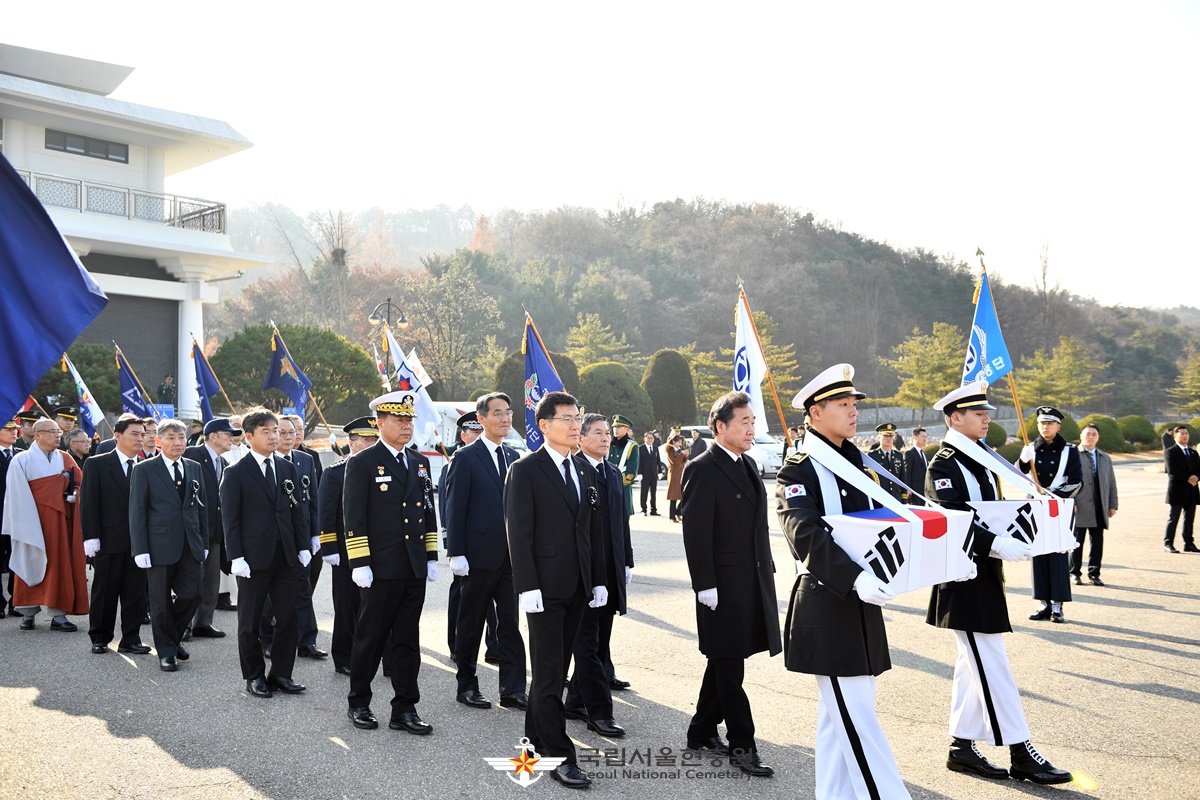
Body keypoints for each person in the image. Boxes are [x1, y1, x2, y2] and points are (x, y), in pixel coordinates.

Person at [927, 380, 1072, 785]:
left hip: (985, 578)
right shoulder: (944, 464)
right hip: (962, 583)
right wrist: (998, 545)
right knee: (993, 669)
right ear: (955, 418)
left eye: (986, 411)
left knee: (972, 667)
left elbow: (993, 511)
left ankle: (961, 748)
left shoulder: (981, 457)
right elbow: (954, 521)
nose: (987, 417)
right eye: (978, 413)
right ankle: (1021, 751)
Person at [776, 364, 910, 799]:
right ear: (815, 413)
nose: (853, 412)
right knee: (857, 723)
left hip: (862, 603)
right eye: (843, 405)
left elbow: (883, 525)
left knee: (841, 723)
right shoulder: (798, 470)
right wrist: (855, 579)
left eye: (854, 405)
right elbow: (805, 535)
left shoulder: (859, 463)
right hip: (827, 605)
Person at [504, 391, 607, 789]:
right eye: (566, 418)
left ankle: (532, 742)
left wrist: (596, 578)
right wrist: (526, 585)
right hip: (543, 589)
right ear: (544, 425)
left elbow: (589, 531)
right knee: (549, 674)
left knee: (555, 670)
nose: (574, 424)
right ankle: (559, 754)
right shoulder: (526, 469)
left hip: (577, 585)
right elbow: (518, 530)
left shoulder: (583, 469)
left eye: (576, 417)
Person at [681, 391, 781, 778]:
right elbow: (696, 530)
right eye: (745, 422)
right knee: (729, 665)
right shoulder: (703, 467)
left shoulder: (748, 463)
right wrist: (704, 583)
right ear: (720, 426)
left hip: (749, 579)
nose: (752, 428)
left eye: (753, 421)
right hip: (720, 585)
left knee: (725, 658)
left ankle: (702, 729)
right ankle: (743, 745)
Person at [345, 392, 439, 735]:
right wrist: (360, 562)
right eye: (399, 421)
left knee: (407, 640)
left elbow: (428, 512)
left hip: (412, 567)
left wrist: (431, 556)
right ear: (379, 423)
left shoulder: (419, 462)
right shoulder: (363, 462)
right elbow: (353, 515)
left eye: (409, 421)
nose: (406, 426)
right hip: (380, 568)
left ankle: (405, 707)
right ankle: (359, 702)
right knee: (370, 637)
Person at [219, 407, 311, 698]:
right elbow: (230, 520)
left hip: (285, 556)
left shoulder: (287, 468)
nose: (275, 437)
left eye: (277, 431)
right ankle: (254, 676)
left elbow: (296, 511)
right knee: (250, 622)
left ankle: (281, 674)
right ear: (248, 436)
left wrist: (303, 546)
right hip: (252, 559)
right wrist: (236, 557)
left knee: (288, 618)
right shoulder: (235, 473)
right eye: (267, 432)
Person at [444, 393, 527, 711]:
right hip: (476, 558)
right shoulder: (465, 458)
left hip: (509, 559)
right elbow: (455, 506)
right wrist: (457, 552)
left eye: (508, 413)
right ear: (481, 419)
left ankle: (513, 689)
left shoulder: (513, 457)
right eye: (497, 413)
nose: (505, 419)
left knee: (509, 624)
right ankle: (466, 685)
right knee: (471, 623)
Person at [565, 413, 634, 738]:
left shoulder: (612, 471)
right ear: (581, 438)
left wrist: (627, 562)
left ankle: (575, 701)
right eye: (598, 433)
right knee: (588, 644)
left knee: (599, 642)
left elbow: (622, 523)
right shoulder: (574, 472)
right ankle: (599, 712)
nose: (606, 438)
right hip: (582, 572)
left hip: (611, 570)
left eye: (608, 433)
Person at [128, 419, 207, 672]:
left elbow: (200, 508)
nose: (178, 442)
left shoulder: (193, 467)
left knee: (192, 594)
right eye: (171, 437)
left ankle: (171, 637)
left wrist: (203, 541)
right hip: (158, 544)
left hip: (190, 543)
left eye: (182, 437)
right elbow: (137, 511)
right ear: (159, 441)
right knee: (160, 601)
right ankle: (166, 652)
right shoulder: (145, 469)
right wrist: (140, 548)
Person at [3, 418, 87, 630]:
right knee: (29, 558)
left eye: (58, 432)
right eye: (52, 431)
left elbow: (80, 483)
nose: (57, 435)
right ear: (38, 434)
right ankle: (27, 612)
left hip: (60, 522)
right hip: (31, 519)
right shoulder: (21, 460)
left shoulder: (65, 458)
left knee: (59, 564)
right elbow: (16, 495)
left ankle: (58, 615)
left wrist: (74, 495)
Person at [80, 414, 151, 655]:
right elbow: (88, 502)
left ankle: (131, 638)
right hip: (109, 540)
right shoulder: (97, 463)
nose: (140, 438)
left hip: (139, 542)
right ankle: (100, 637)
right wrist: (91, 536)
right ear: (117, 436)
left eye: (143, 434)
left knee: (136, 593)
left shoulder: (147, 466)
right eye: (135, 434)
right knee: (105, 591)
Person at [320, 417, 379, 675]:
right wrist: (329, 547)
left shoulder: (383, 468)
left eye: (374, 440)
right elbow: (327, 512)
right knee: (347, 606)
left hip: (380, 551)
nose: (371, 444)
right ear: (351, 444)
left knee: (378, 606)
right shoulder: (335, 473)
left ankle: (382, 655)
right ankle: (343, 656)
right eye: (365, 440)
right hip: (347, 552)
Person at [262, 416, 325, 660]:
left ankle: (307, 640)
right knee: (270, 595)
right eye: (284, 432)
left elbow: (312, 500)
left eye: (294, 432)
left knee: (303, 589)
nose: (290, 437)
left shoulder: (305, 460)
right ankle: (267, 639)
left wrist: (314, 534)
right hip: (276, 539)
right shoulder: (268, 463)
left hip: (302, 537)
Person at [440, 411, 498, 667]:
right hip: (466, 545)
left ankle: (494, 645)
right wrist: (452, 545)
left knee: (495, 604)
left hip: (493, 547)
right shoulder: (455, 462)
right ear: (463, 436)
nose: (477, 435)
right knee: (462, 599)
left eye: (479, 430)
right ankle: (456, 643)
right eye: (472, 432)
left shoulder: (499, 459)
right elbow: (448, 507)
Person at [1017, 406, 1082, 624]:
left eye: (1050, 423)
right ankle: (1043, 602)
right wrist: (1023, 461)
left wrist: (1054, 495)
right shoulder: (1030, 448)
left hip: (1057, 508)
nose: (1045, 427)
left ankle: (1057, 605)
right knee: (1038, 554)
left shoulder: (1069, 451)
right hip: (1036, 507)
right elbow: (1019, 474)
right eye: (1042, 423)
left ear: (1058, 426)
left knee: (1057, 555)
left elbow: (1076, 481)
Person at [184, 418, 239, 639]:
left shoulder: (224, 463)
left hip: (215, 532)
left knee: (211, 581)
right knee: (191, 580)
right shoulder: (192, 455)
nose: (231, 438)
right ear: (213, 436)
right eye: (227, 434)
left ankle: (203, 623)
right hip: (195, 530)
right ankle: (185, 625)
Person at [1072, 423, 1119, 585]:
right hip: (1079, 505)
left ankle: (1094, 573)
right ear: (1081, 436)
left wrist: (1113, 504)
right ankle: (1074, 572)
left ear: (1098, 438)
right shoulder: (1073, 455)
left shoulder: (1104, 458)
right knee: (1077, 541)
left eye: (1094, 434)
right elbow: (1065, 482)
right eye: (1087, 434)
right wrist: (1071, 502)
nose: (1090, 437)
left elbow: (1111, 482)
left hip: (1100, 505)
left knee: (1097, 541)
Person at [1162, 425, 1200, 553]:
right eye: (1182, 433)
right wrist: (1189, 479)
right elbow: (1172, 471)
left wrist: (1197, 477)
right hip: (1177, 489)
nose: (1185, 436)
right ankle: (1168, 543)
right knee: (1174, 518)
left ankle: (1188, 543)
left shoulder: (1194, 453)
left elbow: (1199, 470)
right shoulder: (1170, 451)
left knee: (1189, 519)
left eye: (1186, 434)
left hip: (1192, 490)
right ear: (1175, 436)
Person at [1, 418, 21, 615]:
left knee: (17, 559)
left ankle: (17, 601)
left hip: (17, 517)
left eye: (15, 429)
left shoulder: (21, 456)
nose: (14, 432)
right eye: (8, 429)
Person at [608, 415, 639, 518]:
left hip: (622, 489)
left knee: (622, 524)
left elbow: (631, 472)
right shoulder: (608, 444)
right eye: (614, 427)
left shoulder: (631, 446)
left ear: (626, 429)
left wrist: (616, 482)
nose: (615, 429)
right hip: (606, 487)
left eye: (619, 427)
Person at [867, 422, 907, 502]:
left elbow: (902, 478)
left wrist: (904, 498)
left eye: (891, 436)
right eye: (885, 435)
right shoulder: (872, 456)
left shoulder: (898, 455)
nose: (888, 438)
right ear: (879, 437)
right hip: (879, 499)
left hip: (896, 498)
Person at [665, 433, 688, 522]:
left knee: (683, 495)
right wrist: (682, 454)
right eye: (678, 442)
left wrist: (685, 455)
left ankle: (678, 512)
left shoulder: (678, 449)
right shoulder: (669, 450)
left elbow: (683, 461)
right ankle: (672, 516)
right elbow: (674, 462)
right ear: (673, 442)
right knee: (673, 496)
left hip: (681, 473)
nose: (680, 444)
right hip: (674, 475)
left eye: (681, 442)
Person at [638, 431, 661, 516]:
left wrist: (660, 472)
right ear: (645, 438)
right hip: (644, 474)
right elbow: (639, 461)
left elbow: (658, 460)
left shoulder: (655, 448)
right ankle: (643, 509)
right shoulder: (641, 448)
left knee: (653, 493)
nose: (650, 439)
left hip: (653, 474)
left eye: (652, 438)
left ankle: (653, 510)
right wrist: (639, 473)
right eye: (648, 438)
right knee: (644, 492)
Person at [905, 428, 930, 506]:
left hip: (924, 490)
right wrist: (907, 488)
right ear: (915, 437)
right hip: (914, 490)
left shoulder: (924, 453)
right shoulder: (910, 453)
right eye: (923, 437)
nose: (925, 439)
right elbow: (907, 472)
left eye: (926, 437)